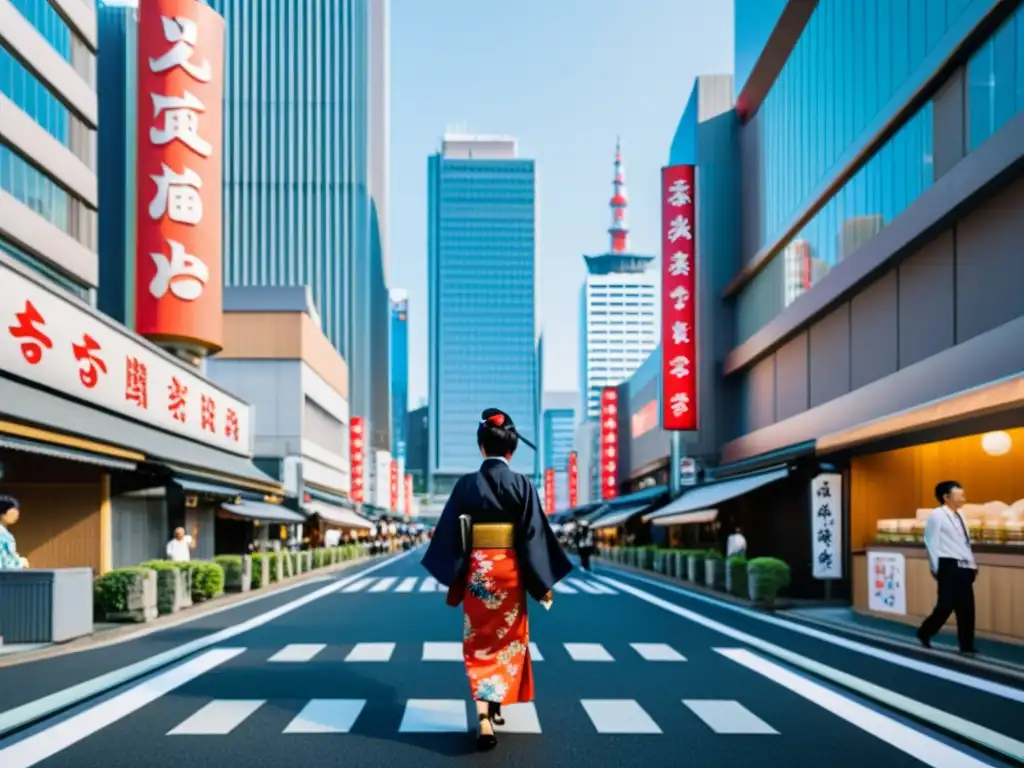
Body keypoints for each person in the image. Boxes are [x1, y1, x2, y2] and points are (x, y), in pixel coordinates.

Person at [421, 408, 572, 751]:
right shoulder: (521, 484)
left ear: (481, 447)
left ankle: (484, 717)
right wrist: (541, 584)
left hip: (479, 573)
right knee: (508, 641)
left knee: (480, 643)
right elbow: (533, 537)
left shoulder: (465, 485)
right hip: (510, 572)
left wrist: (458, 573)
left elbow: (450, 536)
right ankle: (496, 703)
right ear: (511, 451)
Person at [917, 480, 978, 655]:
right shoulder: (937, 515)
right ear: (946, 497)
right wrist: (935, 567)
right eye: (959, 495)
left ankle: (967, 645)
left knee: (967, 607)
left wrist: (972, 564)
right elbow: (931, 542)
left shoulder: (961, 515)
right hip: (947, 564)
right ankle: (925, 632)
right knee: (945, 605)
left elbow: (965, 543)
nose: (963, 499)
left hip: (964, 566)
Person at [0, 495, 28, 569]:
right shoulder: (4, 536)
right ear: (2, 514)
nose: (17, 516)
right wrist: (21, 562)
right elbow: (8, 564)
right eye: (13, 512)